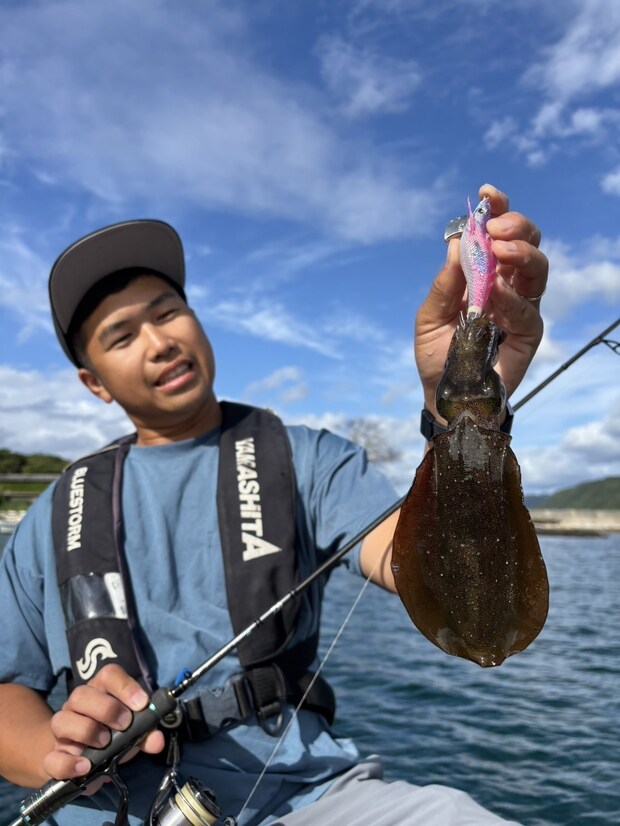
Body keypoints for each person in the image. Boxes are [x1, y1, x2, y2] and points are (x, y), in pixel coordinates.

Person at [0, 183, 547, 826]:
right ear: (93, 383)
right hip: (106, 808)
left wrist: (461, 408)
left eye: (167, 312)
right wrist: (50, 750)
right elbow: (8, 691)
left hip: (308, 799)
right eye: (121, 337)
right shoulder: (52, 515)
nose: (159, 342)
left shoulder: (309, 460)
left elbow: (460, 601)